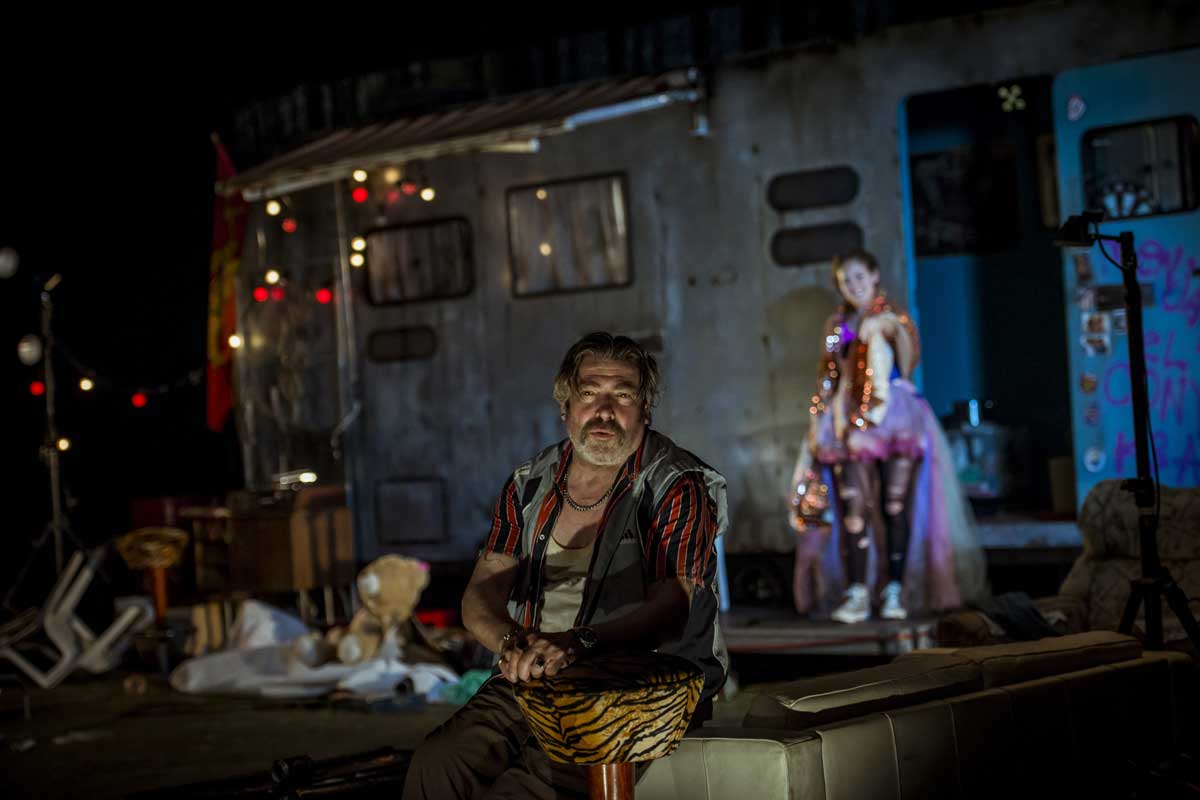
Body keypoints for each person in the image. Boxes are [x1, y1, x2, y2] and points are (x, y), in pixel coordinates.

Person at [403, 332, 728, 800]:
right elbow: (481, 591)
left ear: (645, 408)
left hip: (639, 686)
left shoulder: (676, 485)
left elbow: (671, 610)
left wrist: (577, 644)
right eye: (589, 393)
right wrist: (512, 644)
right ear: (566, 406)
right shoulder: (529, 482)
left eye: (623, 395)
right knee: (438, 763)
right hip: (537, 679)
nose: (604, 411)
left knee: (526, 791)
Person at [789, 249, 985, 623]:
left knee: (895, 506)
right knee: (853, 508)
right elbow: (828, 378)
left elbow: (909, 361)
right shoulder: (838, 325)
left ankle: (894, 588)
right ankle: (857, 592)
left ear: (874, 275)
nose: (854, 286)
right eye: (846, 280)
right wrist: (818, 421)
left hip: (894, 419)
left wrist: (887, 329)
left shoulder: (892, 317)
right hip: (849, 424)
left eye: (859, 277)